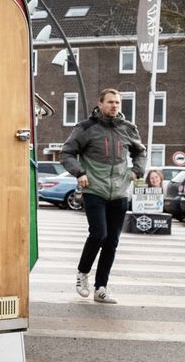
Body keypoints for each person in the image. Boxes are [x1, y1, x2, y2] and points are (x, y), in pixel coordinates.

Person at [60, 88, 145, 304]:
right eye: (110, 102)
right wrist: (79, 172)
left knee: (112, 241)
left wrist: (136, 171)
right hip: (94, 189)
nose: (114, 105)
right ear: (100, 103)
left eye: (117, 102)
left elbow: (140, 152)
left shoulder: (128, 128)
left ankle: (101, 288)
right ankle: (82, 274)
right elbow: (67, 153)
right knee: (99, 234)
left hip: (119, 192)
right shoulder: (86, 127)